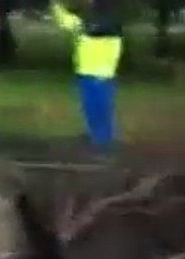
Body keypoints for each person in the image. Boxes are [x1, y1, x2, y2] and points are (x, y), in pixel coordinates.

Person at [51, 0, 121, 152]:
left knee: (98, 109)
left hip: (97, 74)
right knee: (94, 108)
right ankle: (98, 138)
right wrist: (57, 6)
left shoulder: (95, 26)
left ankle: (103, 142)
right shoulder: (93, 25)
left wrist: (57, 6)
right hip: (95, 73)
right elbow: (66, 21)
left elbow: (68, 22)